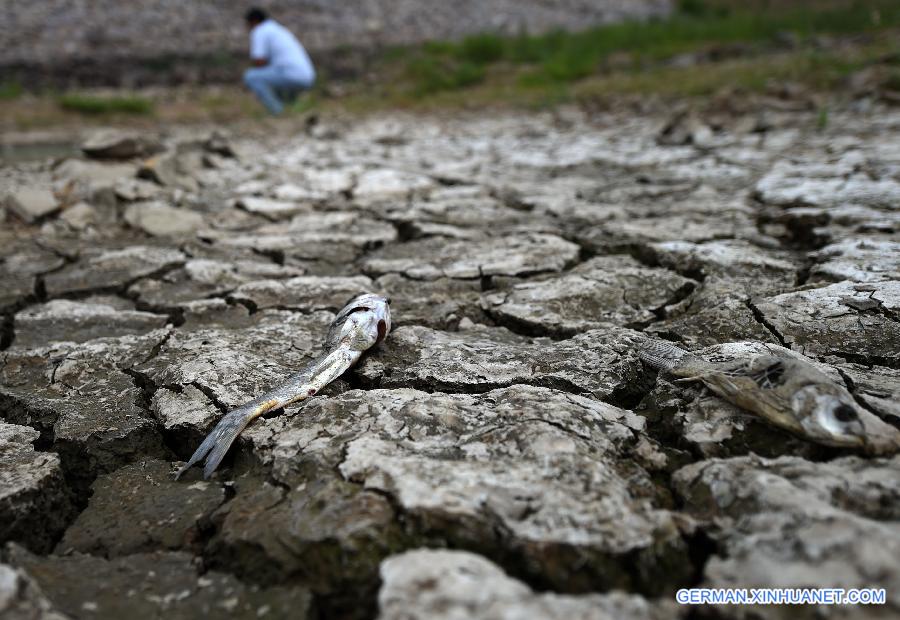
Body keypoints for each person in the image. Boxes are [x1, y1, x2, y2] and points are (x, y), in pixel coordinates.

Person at [243, 7, 316, 115]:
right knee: (270, 79)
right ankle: (291, 112)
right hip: (307, 76)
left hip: (290, 75)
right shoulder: (277, 29)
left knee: (251, 77)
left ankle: (277, 112)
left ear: (254, 21)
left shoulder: (260, 30)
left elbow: (259, 60)